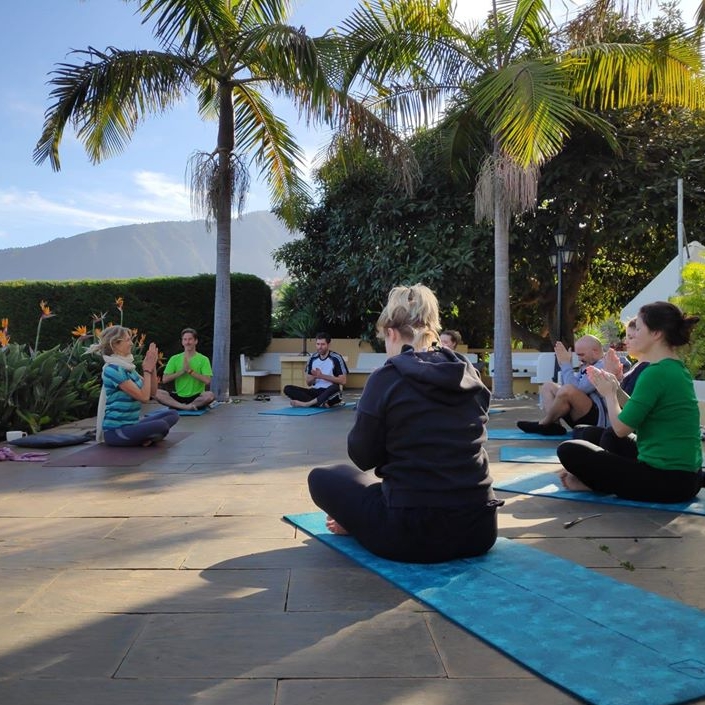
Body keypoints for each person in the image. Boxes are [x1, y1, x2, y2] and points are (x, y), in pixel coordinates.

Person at [307, 284, 502, 563]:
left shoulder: (386, 377)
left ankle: (360, 523)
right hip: (479, 529)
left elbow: (362, 456)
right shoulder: (468, 372)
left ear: (391, 332)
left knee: (323, 477)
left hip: (410, 533)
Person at [557, 301, 703, 503]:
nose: (633, 334)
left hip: (669, 481)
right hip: (688, 476)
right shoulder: (676, 368)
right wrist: (615, 388)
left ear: (656, 334)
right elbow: (636, 411)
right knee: (601, 435)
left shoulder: (655, 373)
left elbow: (621, 428)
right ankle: (603, 481)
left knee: (569, 450)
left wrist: (608, 394)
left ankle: (593, 483)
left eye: (639, 328)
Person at [91, 326, 179, 446]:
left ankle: (146, 437)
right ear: (115, 344)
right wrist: (147, 371)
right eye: (128, 340)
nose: (132, 343)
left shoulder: (128, 367)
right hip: (116, 432)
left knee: (172, 414)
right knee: (161, 426)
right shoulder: (113, 370)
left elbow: (152, 393)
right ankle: (146, 437)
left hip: (132, 424)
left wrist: (152, 367)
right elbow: (144, 398)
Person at [572, 318, 649, 450]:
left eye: (631, 337)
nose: (626, 342)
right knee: (581, 431)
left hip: (641, 438)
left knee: (607, 436)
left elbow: (624, 424)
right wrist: (615, 379)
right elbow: (629, 403)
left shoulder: (651, 370)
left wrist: (610, 389)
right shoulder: (638, 366)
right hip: (624, 428)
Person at [516, 334, 606, 436]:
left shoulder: (603, 365)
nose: (580, 358)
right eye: (578, 355)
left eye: (582, 355)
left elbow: (581, 389)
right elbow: (567, 386)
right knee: (548, 386)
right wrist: (564, 365)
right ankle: (554, 426)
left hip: (596, 419)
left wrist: (566, 364)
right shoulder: (586, 365)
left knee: (568, 390)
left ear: (595, 351)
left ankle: (543, 423)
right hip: (581, 413)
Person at [155, 328, 215, 411]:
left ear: (196, 341)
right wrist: (182, 371)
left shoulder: (203, 359)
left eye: (190, 339)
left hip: (196, 397)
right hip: (178, 396)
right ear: (182, 342)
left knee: (210, 395)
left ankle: (186, 406)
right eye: (185, 339)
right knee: (157, 393)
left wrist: (190, 371)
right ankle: (185, 407)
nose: (187, 342)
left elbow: (207, 381)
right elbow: (165, 379)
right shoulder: (174, 358)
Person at [283, 332, 348, 408]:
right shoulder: (312, 358)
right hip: (315, 391)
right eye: (318, 344)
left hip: (329, 391)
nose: (320, 347)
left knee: (335, 388)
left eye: (323, 344)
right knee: (288, 389)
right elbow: (308, 383)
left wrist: (322, 376)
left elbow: (343, 381)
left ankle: (306, 404)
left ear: (328, 344)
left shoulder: (336, 358)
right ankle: (320, 403)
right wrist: (315, 377)